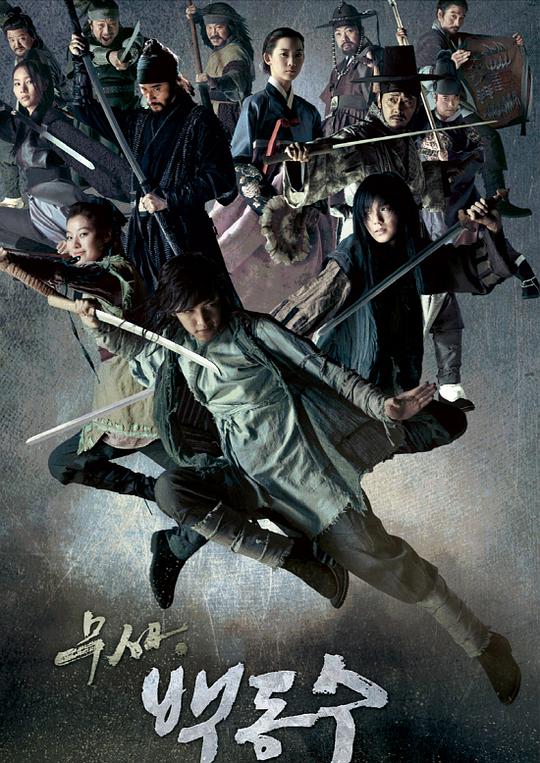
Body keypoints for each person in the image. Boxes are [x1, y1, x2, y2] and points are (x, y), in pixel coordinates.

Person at [77, 253, 521, 706]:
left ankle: (483, 642)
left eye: (208, 305)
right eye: (188, 311)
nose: (202, 320)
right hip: (244, 477)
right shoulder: (178, 343)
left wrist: (382, 405)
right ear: (174, 311)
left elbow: (323, 368)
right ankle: (295, 559)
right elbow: (136, 347)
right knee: (172, 489)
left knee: (393, 569)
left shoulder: (255, 331)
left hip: (307, 480)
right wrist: (96, 325)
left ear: (219, 298)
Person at [274, 173, 525, 410]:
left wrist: (493, 228)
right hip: (347, 375)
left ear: (402, 209)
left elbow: (480, 271)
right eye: (367, 212)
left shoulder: (419, 254)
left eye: (384, 208)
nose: (376, 220)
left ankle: (449, 384)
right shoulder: (352, 254)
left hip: (396, 379)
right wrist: (268, 339)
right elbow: (309, 307)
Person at [69, 36, 238, 293]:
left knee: (199, 300)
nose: (149, 97)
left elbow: (221, 179)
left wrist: (168, 199)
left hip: (185, 235)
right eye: (144, 90)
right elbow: (83, 108)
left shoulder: (200, 120)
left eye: (157, 88)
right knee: (150, 304)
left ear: (174, 82)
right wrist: (80, 62)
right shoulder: (139, 122)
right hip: (144, 237)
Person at [211, 27, 333, 312]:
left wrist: (304, 169)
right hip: (257, 206)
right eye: (284, 54)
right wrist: (269, 209)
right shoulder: (255, 104)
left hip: (300, 203)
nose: (292, 62)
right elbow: (240, 162)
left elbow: (320, 164)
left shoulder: (308, 112)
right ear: (267, 58)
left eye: (298, 55)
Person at [415, 0, 531, 218]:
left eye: (462, 17)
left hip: (455, 104)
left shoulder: (453, 38)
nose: (457, 21)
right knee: (486, 139)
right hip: (437, 107)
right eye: (453, 15)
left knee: (485, 142)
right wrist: (449, 64)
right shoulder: (431, 39)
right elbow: (423, 76)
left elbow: (481, 47)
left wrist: (510, 44)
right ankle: (495, 197)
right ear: (440, 14)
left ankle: (496, 197)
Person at [0, 57, 86, 251]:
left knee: (82, 254)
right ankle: (46, 253)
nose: (22, 89)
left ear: (44, 84)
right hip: (38, 210)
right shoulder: (23, 123)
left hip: (61, 207)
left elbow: (93, 157)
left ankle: (61, 249)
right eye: (17, 84)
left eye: (29, 82)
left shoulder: (55, 121)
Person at [0, 4, 70, 209]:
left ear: (32, 35)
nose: (17, 44)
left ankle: (16, 198)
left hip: (45, 120)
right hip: (30, 115)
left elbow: (51, 96)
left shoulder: (37, 59)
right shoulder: (30, 52)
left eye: (21, 38)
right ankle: (14, 197)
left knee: (4, 146)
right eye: (11, 40)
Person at [185, 1, 254, 136]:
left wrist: (214, 82)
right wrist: (198, 17)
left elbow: (235, 76)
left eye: (219, 27)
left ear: (231, 28)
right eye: (209, 28)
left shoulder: (235, 51)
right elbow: (211, 37)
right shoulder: (222, 48)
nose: (213, 33)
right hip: (216, 114)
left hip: (229, 116)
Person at [318, 2, 380, 135]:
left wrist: (373, 63)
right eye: (338, 34)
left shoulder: (374, 58)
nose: (344, 38)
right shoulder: (338, 69)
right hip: (334, 129)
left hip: (359, 128)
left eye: (349, 31)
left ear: (361, 31)